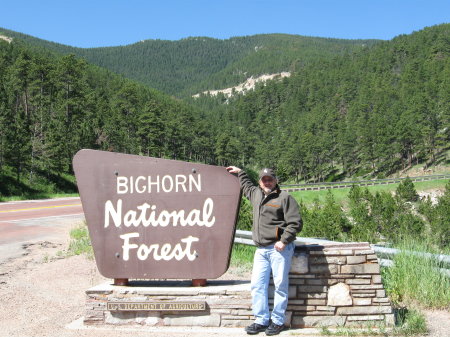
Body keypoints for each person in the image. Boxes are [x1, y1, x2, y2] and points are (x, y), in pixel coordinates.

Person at [226, 166, 302, 336]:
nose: (267, 182)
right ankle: (261, 320)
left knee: (280, 286)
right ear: (260, 182)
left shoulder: (285, 198)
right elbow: (245, 184)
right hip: (261, 250)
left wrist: (284, 241)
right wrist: (240, 172)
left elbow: (295, 223)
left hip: (279, 249)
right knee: (257, 286)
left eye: (270, 179)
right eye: (264, 179)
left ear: (275, 181)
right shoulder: (255, 194)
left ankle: (277, 321)